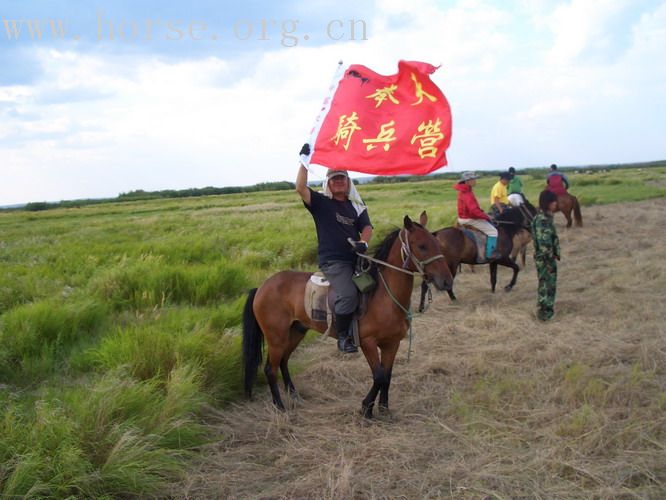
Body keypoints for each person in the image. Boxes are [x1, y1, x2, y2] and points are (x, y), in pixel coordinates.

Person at [295, 143, 373, 354]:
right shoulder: (321, 203)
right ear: (328, 182)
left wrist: (363, 242)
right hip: (334, 261)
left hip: (356, 258)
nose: (338, 182)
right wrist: (304, 161)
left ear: (348, 182)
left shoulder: (355, 204)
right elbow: (301, 188)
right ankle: (343, 336)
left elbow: (366, 226)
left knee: (375, 286)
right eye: (334, 178)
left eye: (342, 178)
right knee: (348, 294)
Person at [454, 171, 500, 260]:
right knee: (493, 231)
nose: (475, 181)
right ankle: (490, 254)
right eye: (473, 179)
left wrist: (483, 213)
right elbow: (474, 211)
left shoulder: (465, 190)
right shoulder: (467, 193)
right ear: (467, 181)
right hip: (469, 219)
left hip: (463, 217)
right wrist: (487, 217)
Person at [530, 190, 561, 321]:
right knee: (547, 285)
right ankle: (545, 312)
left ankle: (546, 309)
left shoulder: (544, 217)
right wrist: (549, 258)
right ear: (548, 203)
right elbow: (544, 243)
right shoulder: (542, 220)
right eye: (554, 202)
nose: (556, 204)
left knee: (547, 284)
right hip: (545, 259)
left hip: (545, 258)